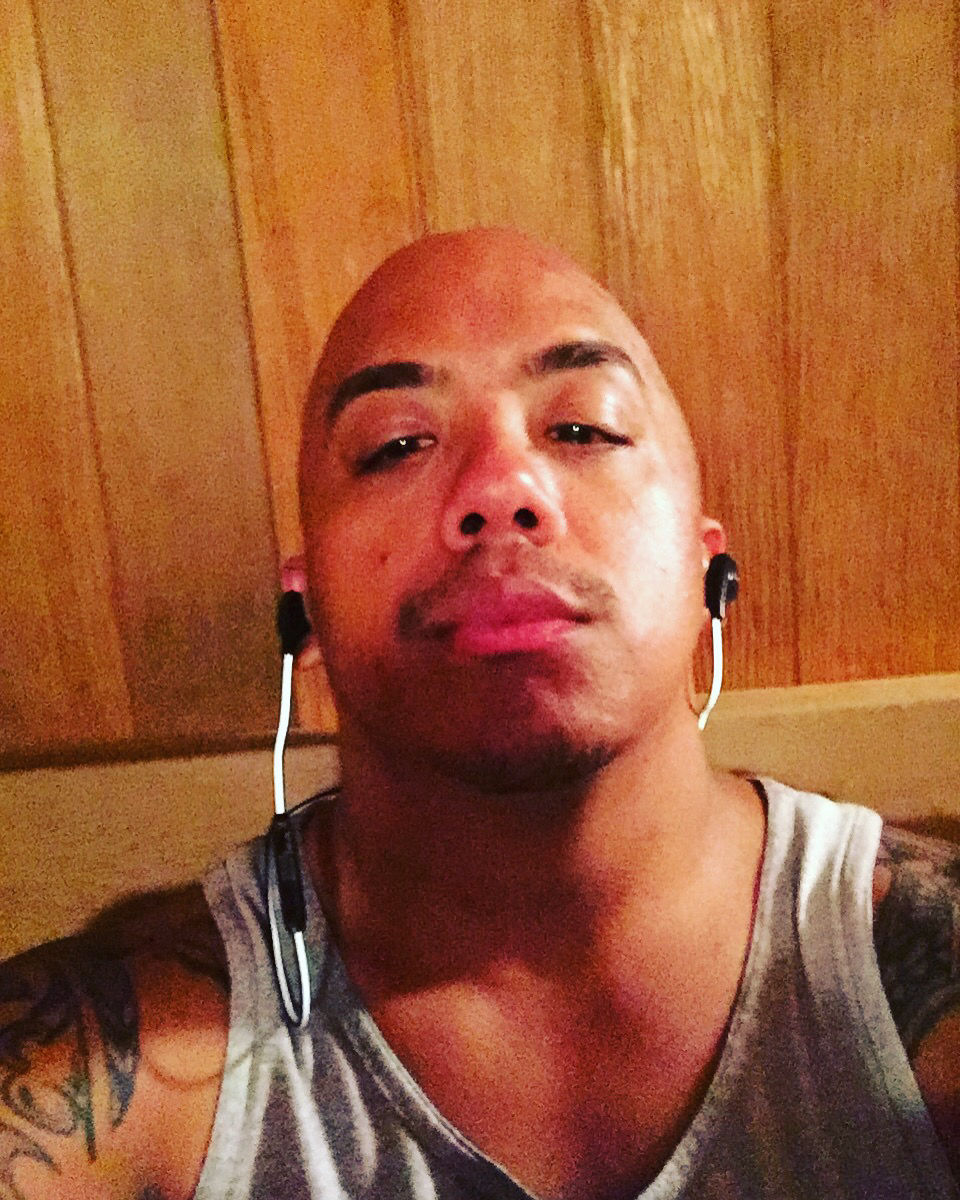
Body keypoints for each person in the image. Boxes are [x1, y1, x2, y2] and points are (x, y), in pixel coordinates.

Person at [2, 228, 959, 1199]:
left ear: (708, 568)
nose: (502, 489)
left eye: (583, 430)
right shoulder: (95, 1068)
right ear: (306, 609)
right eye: (395, 447)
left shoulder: (926, 974)